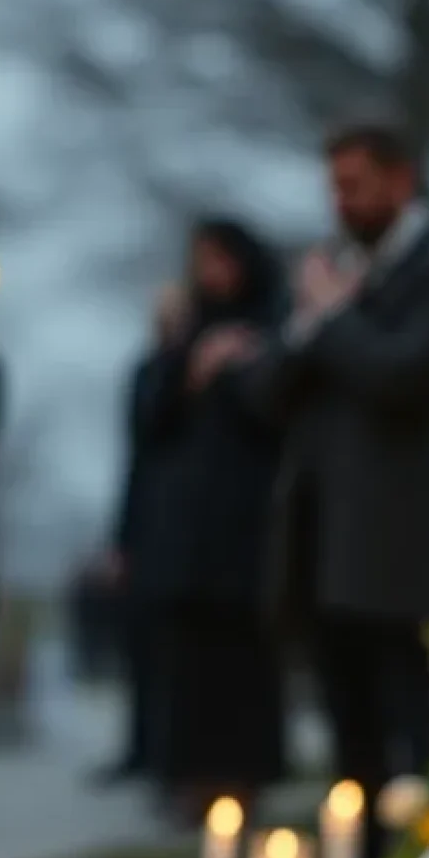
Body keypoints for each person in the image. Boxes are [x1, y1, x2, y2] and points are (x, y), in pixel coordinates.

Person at [245, 122, 429, 858]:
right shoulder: (328, 275)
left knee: (407, 729)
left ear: (400, 181)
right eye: (334, 186)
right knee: (349, 739)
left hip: (397, 551)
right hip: (320, 544)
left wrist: (335, 319)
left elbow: (404, 377)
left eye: (356, 184)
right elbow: (266, 391)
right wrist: (314, 320)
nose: (341, 202)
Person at [142, 224, 286, 821]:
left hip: (249, 524)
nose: (212, 273)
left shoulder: (271, 329)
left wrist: (243, 367)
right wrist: (194, 369)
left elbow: (277, 410)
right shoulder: (187, 337)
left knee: (244, 659)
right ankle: (188, 780)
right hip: (190, 532)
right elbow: (148, 420)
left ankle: (244, 780)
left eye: (221, 260)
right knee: (190, 661)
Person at [91, 281, 188, 787]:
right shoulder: (149, 374)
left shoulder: (195, 372)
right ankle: (139, 747)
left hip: (184, 529)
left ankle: (167, 753)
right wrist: (120, 541)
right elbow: (136, 458)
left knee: (174, 650)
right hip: (147, 522)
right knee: (139, 644)